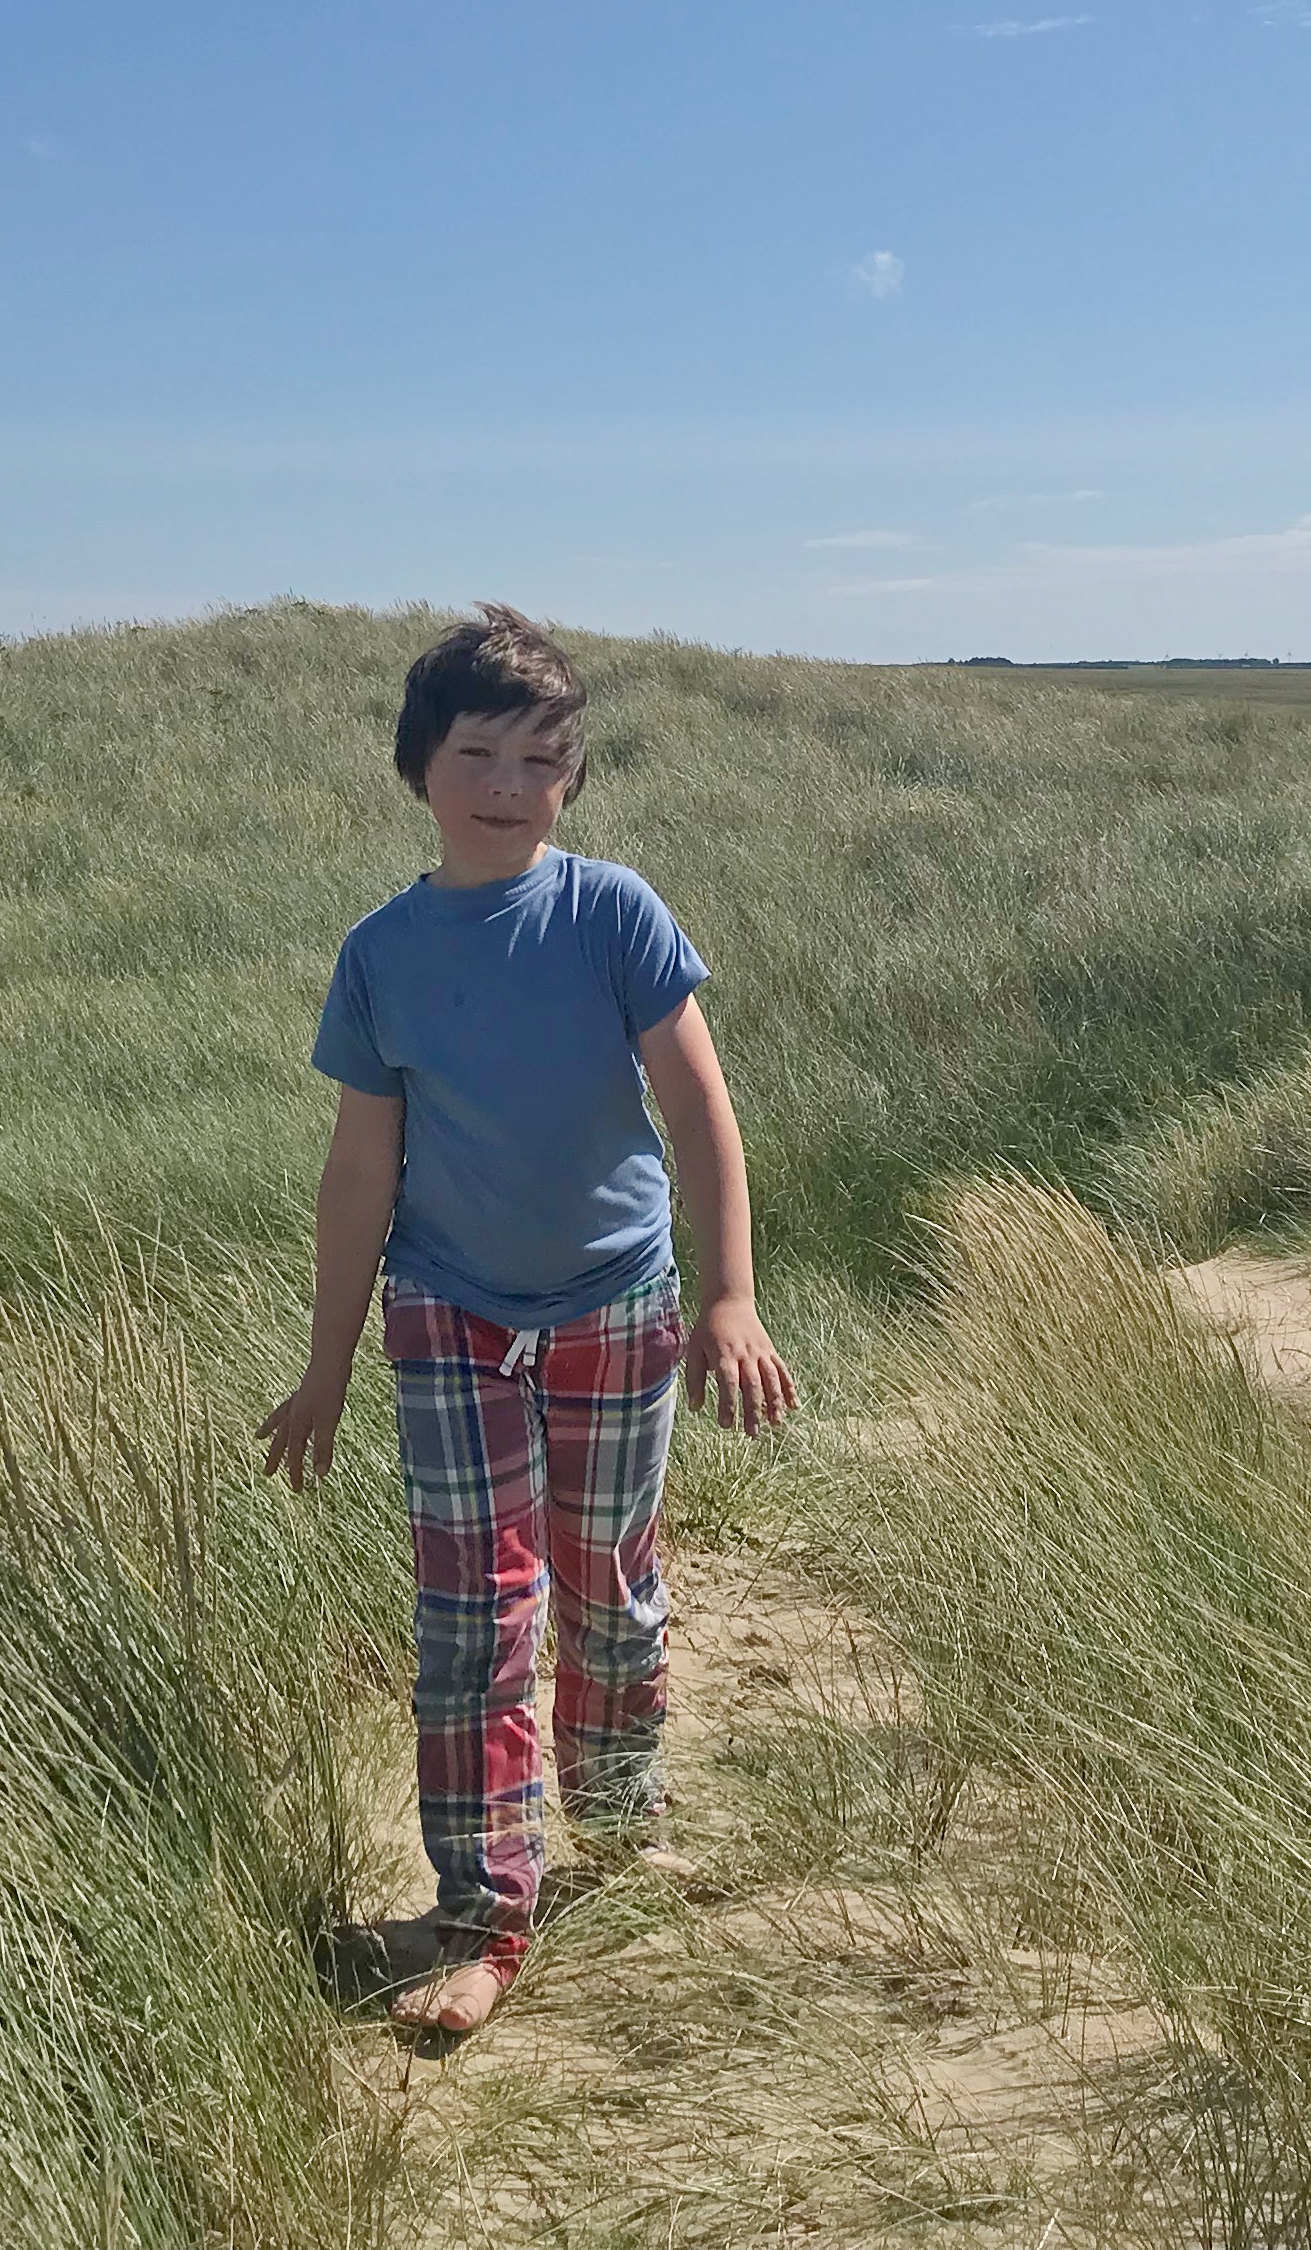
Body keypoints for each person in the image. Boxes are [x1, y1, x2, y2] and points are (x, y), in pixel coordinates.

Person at [258, 603, 796, 2038]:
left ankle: (617, 1834)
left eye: (539, 759)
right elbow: (361, 1170)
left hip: (618, 1303)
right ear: (419, 764)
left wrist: (730, 1295)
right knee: (475, 1614)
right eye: (476, 752)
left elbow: (698, 1110)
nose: (507, 784)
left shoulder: (613, 911)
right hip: (446, 1314)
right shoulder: (379, 954)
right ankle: (485, 1914)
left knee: (608, 1581)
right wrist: (323, 1368)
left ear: (573, 777)